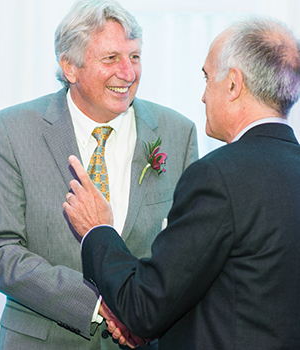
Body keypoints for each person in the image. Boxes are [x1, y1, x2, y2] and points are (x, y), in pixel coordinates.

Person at [64, 17, 300, 349]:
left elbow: (145, 307)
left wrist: (98, 229)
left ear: (233, 84)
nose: (203, 96)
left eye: (206, 78)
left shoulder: (218, 176)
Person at [0, 0, 198, 349]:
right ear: (70, 66)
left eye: (135, 57)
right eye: (111, 58)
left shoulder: (177, 132)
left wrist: (142, 306)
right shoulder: (11, 129)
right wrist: (99, 305)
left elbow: (188, 251)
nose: (128, 73)